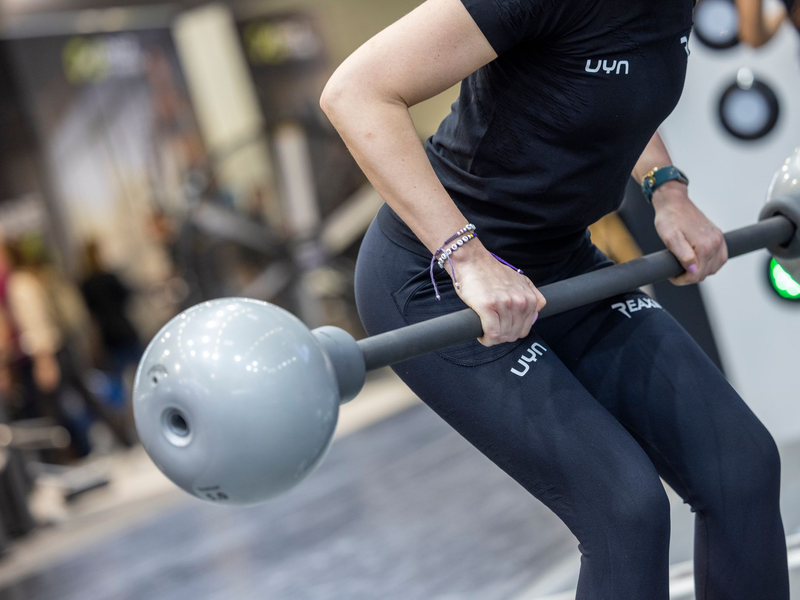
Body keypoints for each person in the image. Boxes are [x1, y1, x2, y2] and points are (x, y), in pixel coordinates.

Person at [320, 1, 789, 598]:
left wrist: (667, 190)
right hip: (437, 281)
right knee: (625, 509)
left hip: (560, 265)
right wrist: (467, 257)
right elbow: (356, 93)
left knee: (740, 465)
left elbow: (625, 88)